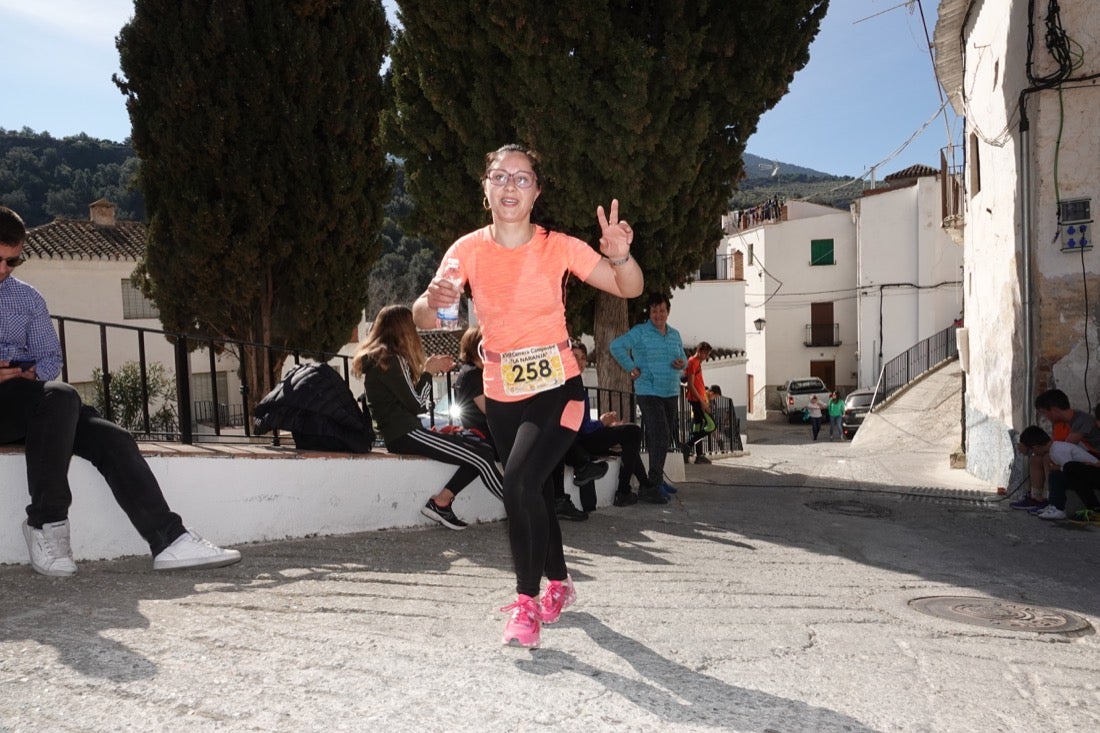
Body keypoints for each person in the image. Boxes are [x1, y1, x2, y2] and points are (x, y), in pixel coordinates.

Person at [412, 144, 643, 648]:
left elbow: (627, 287)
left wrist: (621, 257)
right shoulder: (466, 250)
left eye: (522, 178)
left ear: (536, 191)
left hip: (558, 387)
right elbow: (432, 328)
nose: (510, 186)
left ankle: (526, 603)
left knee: (517, 482)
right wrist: (431, 302)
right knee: (534, 490)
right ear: (486, 188)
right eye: (500, 176)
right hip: (502, 394)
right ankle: (560, 583)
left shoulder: (558, 246)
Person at [0, 205, 241, 577]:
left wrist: (27, 372)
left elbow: (50, 358)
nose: (4, 269)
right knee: (62, 398)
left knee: (111, 436)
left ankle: (168, 540)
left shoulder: (28, 298)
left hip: (31, 400)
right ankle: (46, 524)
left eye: (12, 262)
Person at [354, 305, 504, 530]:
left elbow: (407, 398)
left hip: (402, 432)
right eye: (412, 326)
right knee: (482, 455)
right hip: (406, 433)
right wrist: (428, 372)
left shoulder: (381, 360)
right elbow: (417, 404)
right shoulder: (391, 360)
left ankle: (441, 502)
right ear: (403, 329)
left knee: (479, 450)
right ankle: (519, 506)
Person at [610, 292, 685, 503]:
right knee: (659, 432)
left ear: (668, 312)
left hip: (671, 390)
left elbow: (683, 358)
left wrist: (682, 363)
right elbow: (616, 346)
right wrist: (630, 367)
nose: (658, 314)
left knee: (664, 435)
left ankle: (657, 481)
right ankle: (652, 485)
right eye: (654, 310)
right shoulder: (640, 332)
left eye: (662, 310)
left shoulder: (675, 334)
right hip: (648, 390)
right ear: (649, 313)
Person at [1014, 388, 1100, 511]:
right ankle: (1037, 498)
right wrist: (1030, 449)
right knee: (1036, 459)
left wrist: (1033, 446)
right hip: (1073, 457)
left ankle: (1051, 500)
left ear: (1054, 410)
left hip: (1092, 459)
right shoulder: (1059, 424)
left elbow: (1065, 446)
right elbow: (1054, 445)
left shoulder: (1082, 420)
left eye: (1044, 413)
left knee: (1048, 457)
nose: (1045, 417)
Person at [1017, 425, 1100, 521]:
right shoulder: (1055, 449)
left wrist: (1057, 467)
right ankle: (1056, 507)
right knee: (1056, 475)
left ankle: (1092, 507)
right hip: (1086, 476)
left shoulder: (1057, 450)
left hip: (1095, 475)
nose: (1033, 453)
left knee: (1065, 470)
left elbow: (1070, 469)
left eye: (1032, 450)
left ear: (1036, 447)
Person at [452, 325, 494, 454]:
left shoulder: (467, 371)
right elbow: (489, 409)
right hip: (485, 437)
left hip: (478, 436)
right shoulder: (473, 374)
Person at [682, 341, 714, 464]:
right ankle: (688, 445)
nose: (707, 356)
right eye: (706, 353)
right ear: (700, 351)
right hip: (697, 399)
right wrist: (702, 402)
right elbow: (690, 384)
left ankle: (699, 455)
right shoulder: (692, 363)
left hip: (699, 398)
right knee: (711, 425)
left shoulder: (695, 362)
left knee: (698, 425)